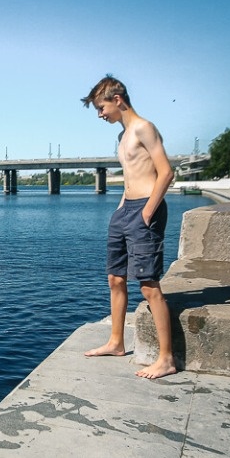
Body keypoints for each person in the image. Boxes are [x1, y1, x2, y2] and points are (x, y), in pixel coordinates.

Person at [81, 75, 176, 379]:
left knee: (148, 285)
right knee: (115, 279)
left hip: (146, 209)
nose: (100, 114)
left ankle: (166, 359)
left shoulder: (144, 128)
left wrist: (147, 212)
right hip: (125, 210)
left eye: (101, 107)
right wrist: (121, 210)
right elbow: (131, 176)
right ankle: (116, 342)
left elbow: (166, 173)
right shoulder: (122, 136)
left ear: (117, 99)